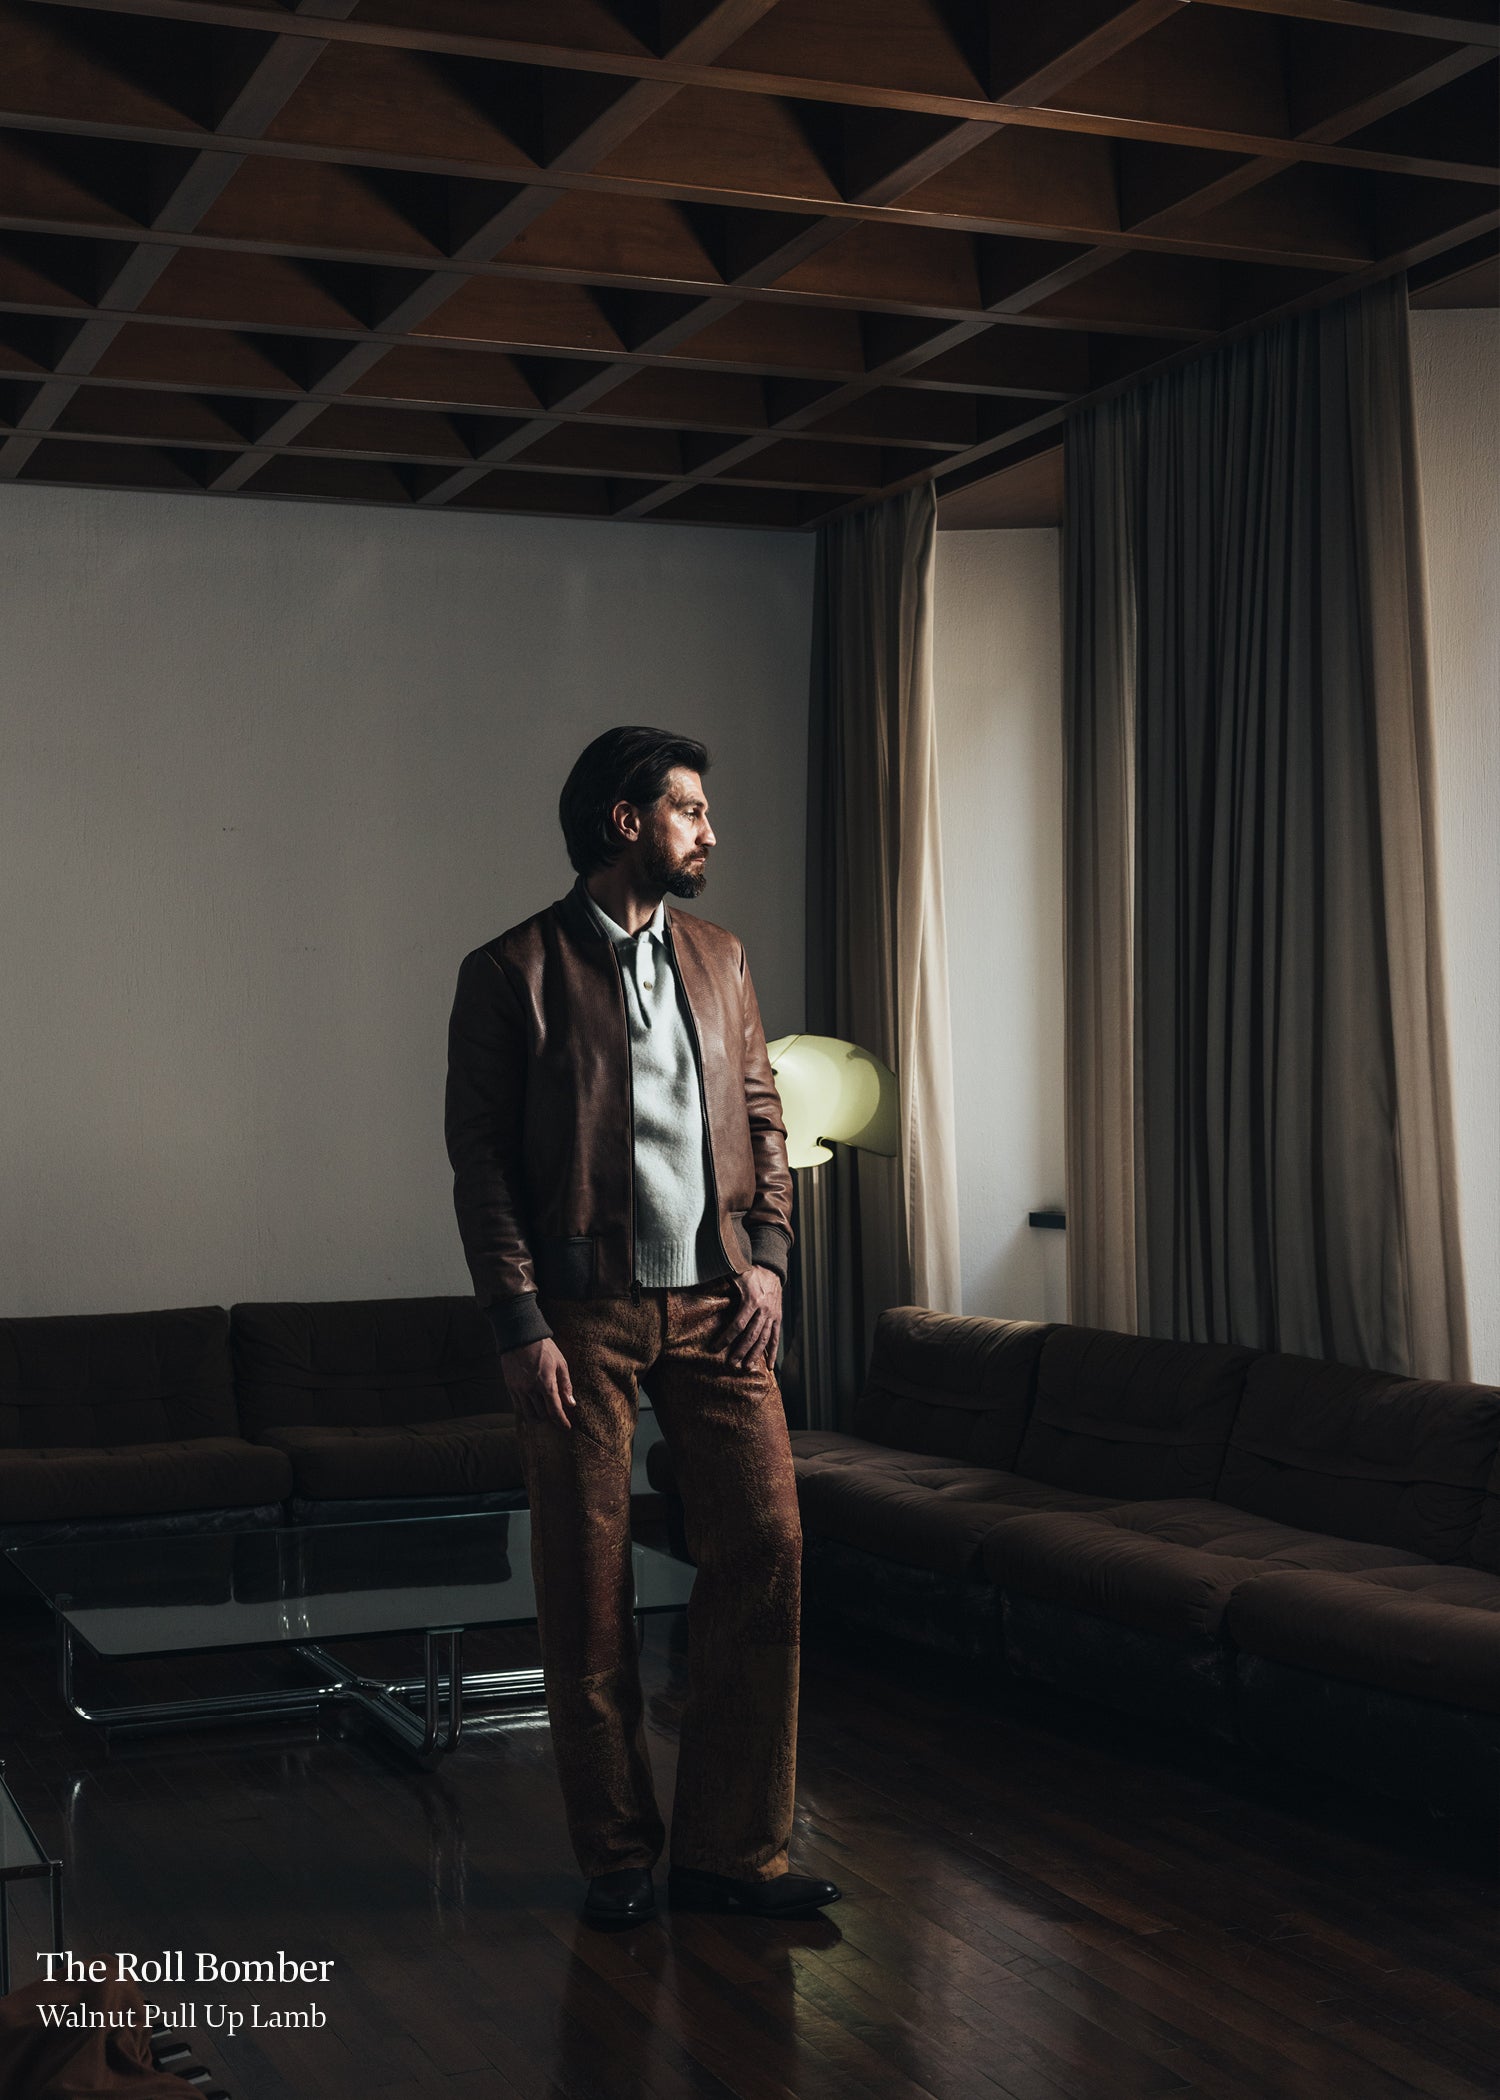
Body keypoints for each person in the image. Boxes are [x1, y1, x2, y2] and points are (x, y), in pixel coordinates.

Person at [444, 725, 841, 1927]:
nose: (711, 831)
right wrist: (521, 1323)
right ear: (627, 822)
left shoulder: (720, 958)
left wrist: (768, 1259)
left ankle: (733, 1853)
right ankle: (618, 1850)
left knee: (765, 1550)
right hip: (581, 1316)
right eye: (690, 810)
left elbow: (765, 1115)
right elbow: (483, 1167)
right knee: (589, 1579)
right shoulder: (509, 970)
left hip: (721, 1307)